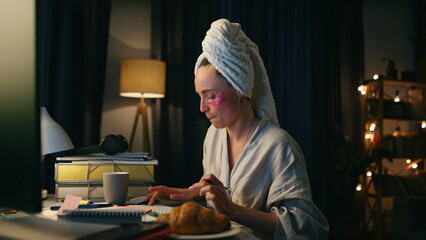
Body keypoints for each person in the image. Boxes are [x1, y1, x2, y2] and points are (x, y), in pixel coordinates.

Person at [145, 18, 329, 239]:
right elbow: (218, 205)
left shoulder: (279, 145)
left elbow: (307, 228)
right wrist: (196, 194)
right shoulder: (213, 136)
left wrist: (234, 210)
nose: (202, 107)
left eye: (210, 96)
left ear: (240, 88)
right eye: (199, 96)